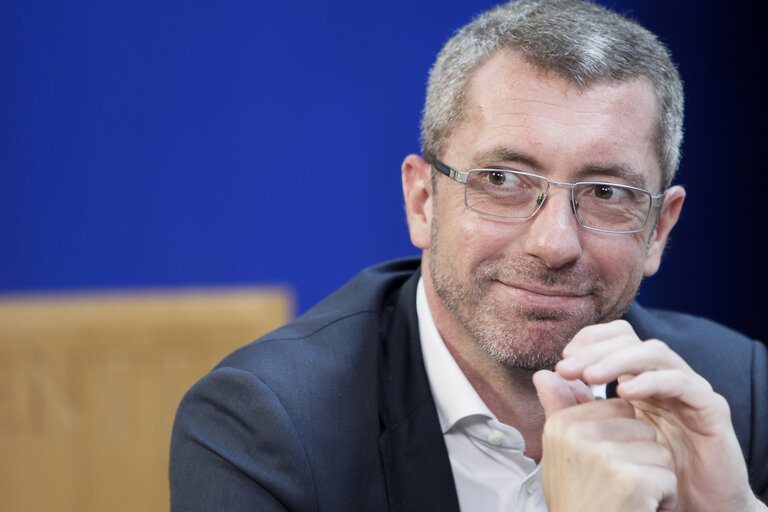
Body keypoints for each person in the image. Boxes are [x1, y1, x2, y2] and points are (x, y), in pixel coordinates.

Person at [170, 1, 768, 510]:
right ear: (423, 201)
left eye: (606, 193)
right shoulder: (267, 427)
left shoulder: (735, 395)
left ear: (659, 229)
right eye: (503, 180)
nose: (555, 243)